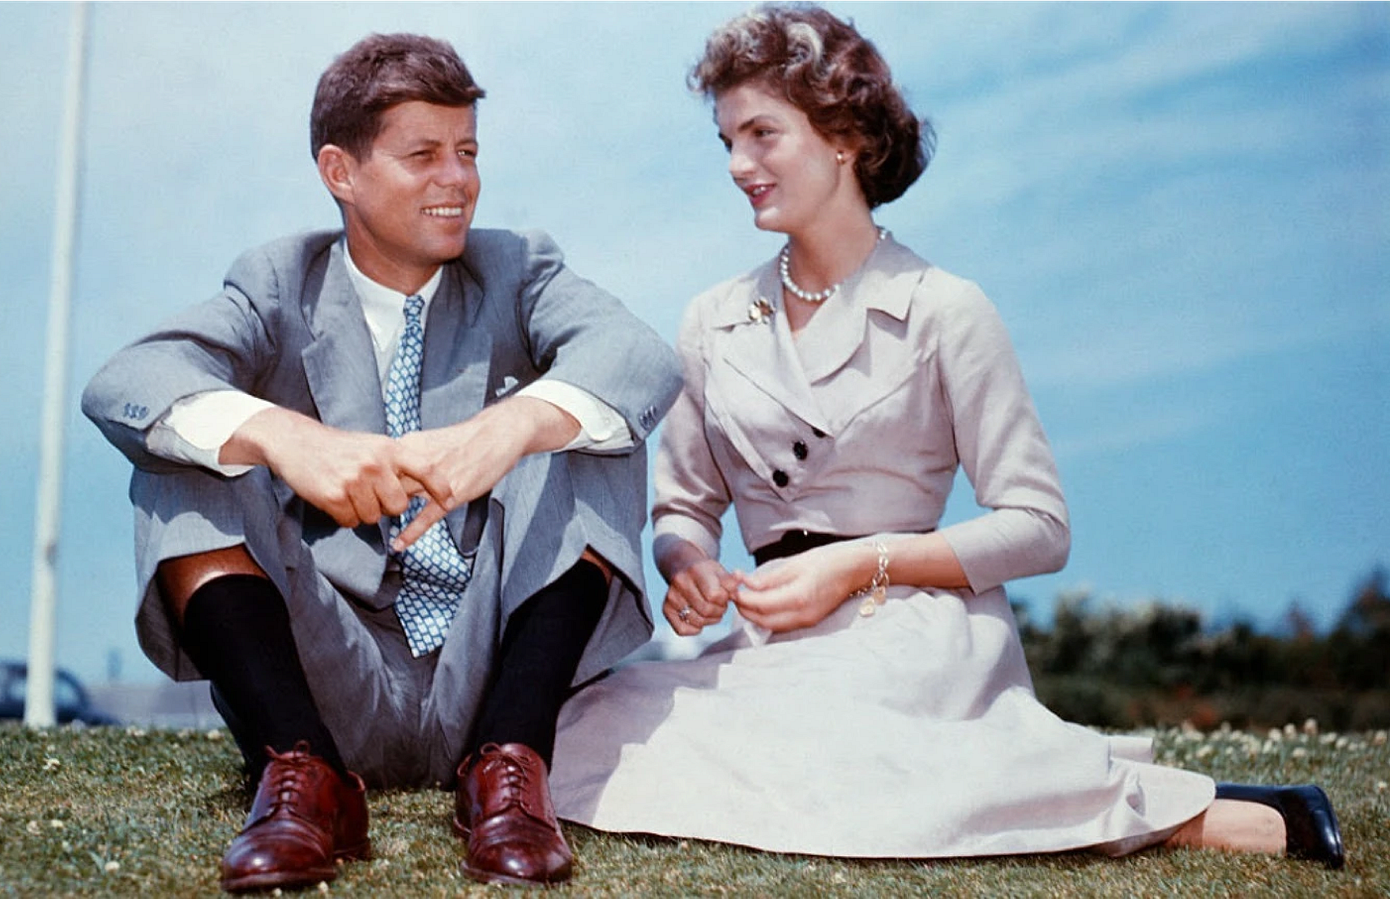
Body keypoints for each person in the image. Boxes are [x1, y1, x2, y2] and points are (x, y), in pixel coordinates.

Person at [549, 4, 1344, 869]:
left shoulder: (947, 309)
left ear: (845, 136)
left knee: (835, 756)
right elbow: (684, 508)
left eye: (762, 134)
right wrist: (690, 565)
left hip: (914, 631)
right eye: (728, 141)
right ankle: (1033, 778)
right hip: (769, 645)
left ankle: (1230, 816)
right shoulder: (712, 320)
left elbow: (1040, 526)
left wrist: (856, 564)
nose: (739, 165)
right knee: (583, 731)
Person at [82, 33, 680, 891]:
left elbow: (640, 356)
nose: (458, 179)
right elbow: (127, 380)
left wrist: (510, 426)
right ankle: (303, 781)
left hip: (491, 674)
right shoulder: (276, 282)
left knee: (582, 420)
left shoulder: (518, 268)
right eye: (423, 155)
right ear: (342, 171)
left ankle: (512, 776)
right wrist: (283, 435)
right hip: (329, 677)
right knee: (187, 442)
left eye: (468, 152)